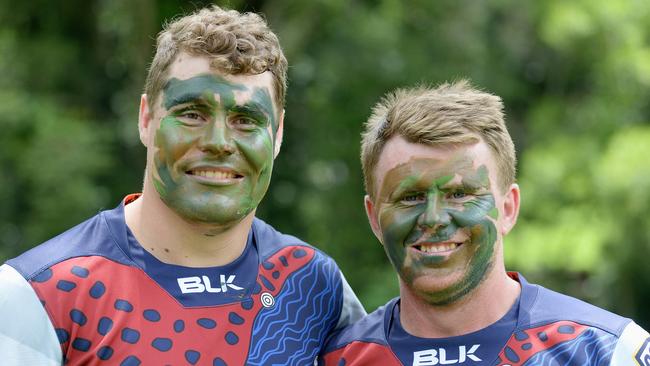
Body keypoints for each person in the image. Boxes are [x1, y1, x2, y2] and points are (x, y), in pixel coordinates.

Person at [0, 5, 365, 365]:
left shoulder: (314, 285)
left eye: (245, 120)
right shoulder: (39, 292)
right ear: (146, 118)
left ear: (278, 133)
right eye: (192, 114)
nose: (219, 142)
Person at [320, 81, 650, 365]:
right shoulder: (336, 359)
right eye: (410, 197)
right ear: (374, 218)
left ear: (508, 208)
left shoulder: (606, 351)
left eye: (460, 193)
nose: (434, 218)